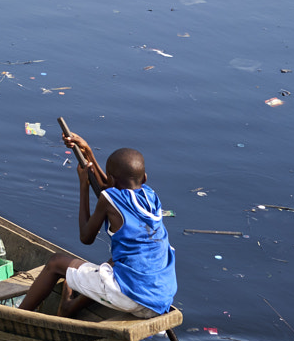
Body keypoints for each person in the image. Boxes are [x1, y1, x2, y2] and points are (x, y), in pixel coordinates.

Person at [16, 128, 177, 319]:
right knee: (112, 262)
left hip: (131, 295)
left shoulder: (109, 199)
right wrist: (88, 152)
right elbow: (110, 187)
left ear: (111, 179)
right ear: (144, 178)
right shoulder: (151, 196)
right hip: (161, 296)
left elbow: (86, 237)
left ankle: (18, 317)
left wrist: (83, 185)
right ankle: (70, 308)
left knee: (55, 263)